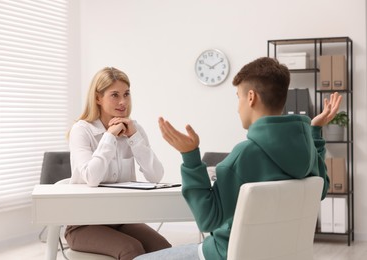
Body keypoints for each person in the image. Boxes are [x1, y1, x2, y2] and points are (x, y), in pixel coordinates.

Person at [134, 57, 342, 260]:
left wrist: (190, 156)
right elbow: (321, 189)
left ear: (251, 97)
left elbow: (208, 220)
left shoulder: (244, 155)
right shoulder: (308, 150)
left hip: (227, 254)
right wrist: (314, 131)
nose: (237, 107)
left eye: (238, 97)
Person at [65, 67, 172, 260]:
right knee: (131, 249)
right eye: (114, 95)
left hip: (121, 219)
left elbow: (156, 175)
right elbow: (91, 178)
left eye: (126, 94)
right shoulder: (81, 130)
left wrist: (134, 138)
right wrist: (109, 137)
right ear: (98, 98)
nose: (122, 101)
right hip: (83, 224)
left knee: (164, 248)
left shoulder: (134, 128)